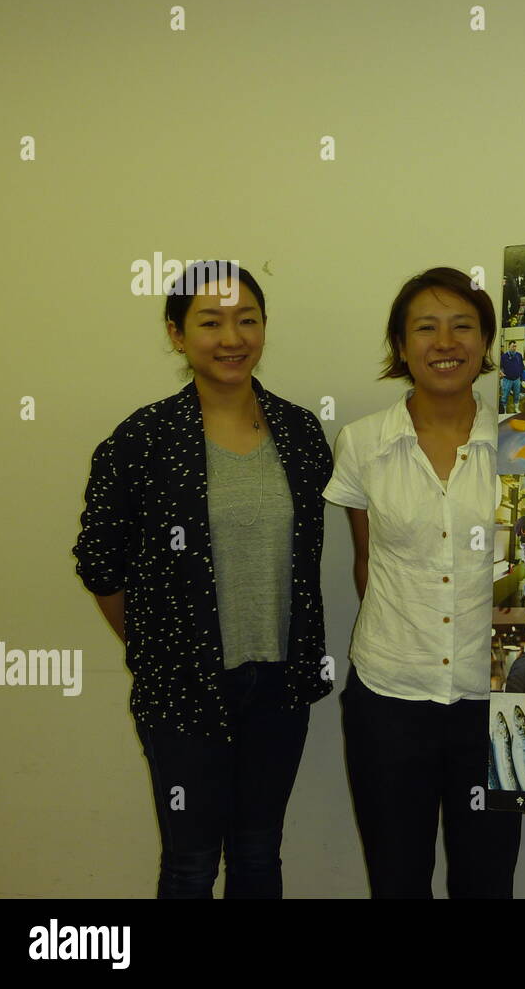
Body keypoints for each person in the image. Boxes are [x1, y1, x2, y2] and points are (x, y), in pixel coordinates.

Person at [73, 262, 332, 899]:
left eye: (246, 319)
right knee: (189, 863)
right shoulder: (143, 439)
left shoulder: (299, 433)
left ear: (264, 327)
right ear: (177, 333)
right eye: (210, 322)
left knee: (258, 854)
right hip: (183, 685)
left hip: (280, 681)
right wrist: (157, 646)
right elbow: (99, 561)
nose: (231, 337)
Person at [324, 266, 522, 898]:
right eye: (426, 327)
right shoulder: (362, 442)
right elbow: (366, 560)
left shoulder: (521, 442)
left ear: (485, 343)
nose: (445, 342)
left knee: (486, 880)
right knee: (396, 879)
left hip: (490, 701)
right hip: (389, 696)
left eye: (462, 326)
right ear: (401, 346)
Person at [499, 339, 525, 414]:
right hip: (507, 379)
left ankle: (516, 408)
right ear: (509, 347)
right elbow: (499, 367)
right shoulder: (504, 356)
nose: (514, 348)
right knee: (505, 396)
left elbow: (521, 366)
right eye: (513, 346)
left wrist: (521, 378)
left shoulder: (519, 355)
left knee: (517, 395)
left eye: (515, 346)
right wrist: (501, 372)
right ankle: (504, 411)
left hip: (517, 379)